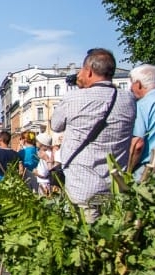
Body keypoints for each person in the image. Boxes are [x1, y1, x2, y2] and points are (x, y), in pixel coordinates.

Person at [50, 48, 135, 220]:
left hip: (83, 186)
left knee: (88, 238)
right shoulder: (128, 99)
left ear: (88, 71)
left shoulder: (73, 98)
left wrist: (79, 87)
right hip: (114, 187)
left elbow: (56, 125)